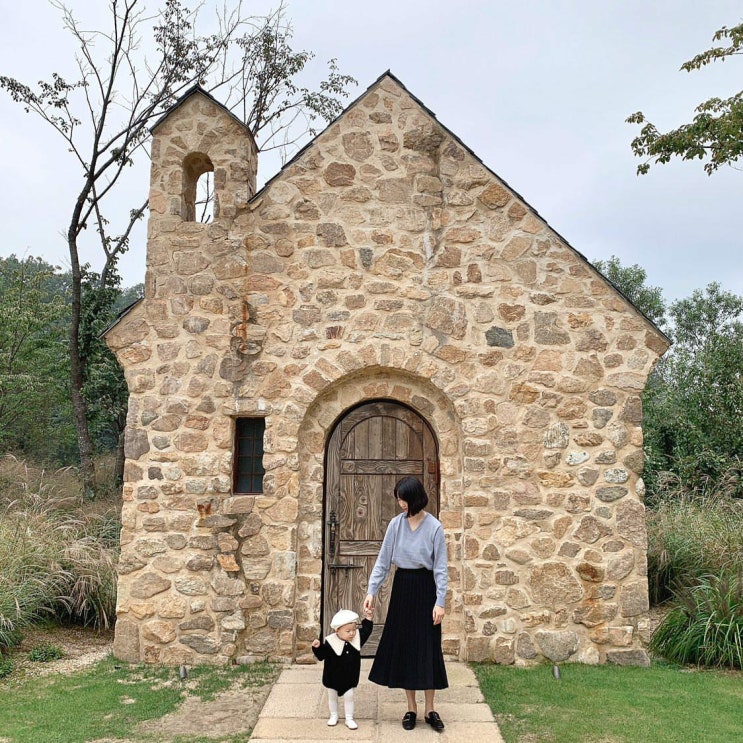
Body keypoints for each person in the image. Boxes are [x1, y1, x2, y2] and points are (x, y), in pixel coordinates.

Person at [363, 476, 448, 733]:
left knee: (428, 648)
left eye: (403, 498)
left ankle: (430, 709)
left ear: (415, 497)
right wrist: (371, 591)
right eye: (398, 498)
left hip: (426, 590)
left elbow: (441, 569)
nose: (400, 503)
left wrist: (440, 602)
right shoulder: (395, 525)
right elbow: (383, 561)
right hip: (403, 588)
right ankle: (410, 708)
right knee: (407, 648)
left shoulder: (434, 527)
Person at [312, 607, 374, 730]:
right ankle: (334, 715)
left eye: (354, 629)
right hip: (332, 677)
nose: (352, 633)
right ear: (337, 631)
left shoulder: (357, 639)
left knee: (349, 696)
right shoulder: (330, 642)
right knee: (332, 697)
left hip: (349, 677)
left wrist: (368, 618)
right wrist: (317, 647)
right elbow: (322, 655)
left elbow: (366, 631)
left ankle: (349, 718)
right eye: (348, 631)